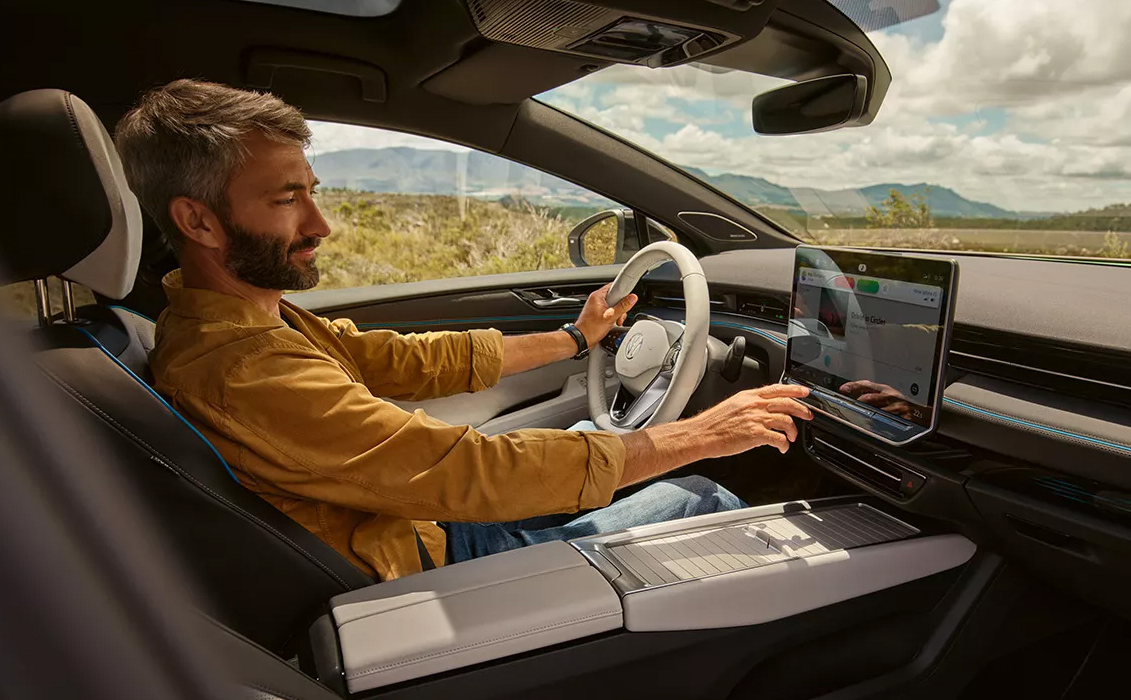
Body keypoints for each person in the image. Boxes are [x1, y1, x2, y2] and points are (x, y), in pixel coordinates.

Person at [115, 79, 813, 581]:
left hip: (414, 517)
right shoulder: (243, 370)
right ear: (198, 221)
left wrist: (576, 339)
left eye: (312, 192)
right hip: (435, 563)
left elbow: (404, 361)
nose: (320, 226)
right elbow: (468, 473)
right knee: (705, 496)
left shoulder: (242, 319)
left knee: (602, 443)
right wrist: (706, 435)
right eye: (286, 199)